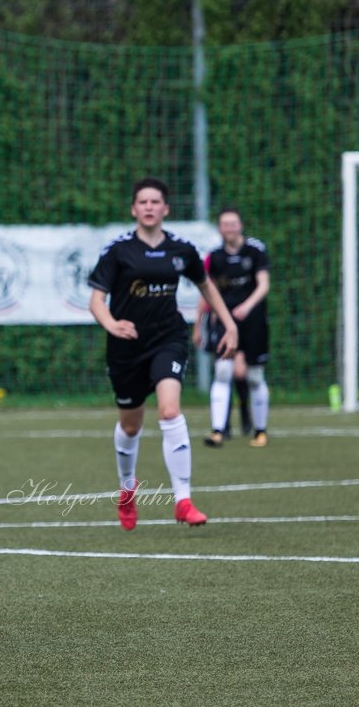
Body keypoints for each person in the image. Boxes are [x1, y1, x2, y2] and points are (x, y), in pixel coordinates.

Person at [88, 178, 238, 531]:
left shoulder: (181, 250)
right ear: (134, 209)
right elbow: (97, 300)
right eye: (143, 202)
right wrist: (111, 324)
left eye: (156, 201)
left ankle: (183, 501)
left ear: (166, 209)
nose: (150, 207)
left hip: (168, 338)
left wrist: (229, 324)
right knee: (131, 424)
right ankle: (127, 490)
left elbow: (206, 286)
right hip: (126, 346)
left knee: (170, 410)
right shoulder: (118, 251)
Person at [194, 207, 271, 448]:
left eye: (233, 223)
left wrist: (247, 307)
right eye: (225, 224)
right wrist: (198, 324)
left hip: (253, 321)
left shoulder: (255, 251)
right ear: (219, 228)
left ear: (241, 225)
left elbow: (263, 285)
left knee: (254, 376)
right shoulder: (214, 257)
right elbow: (207, 291)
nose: (229, 228)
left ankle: (260, 430)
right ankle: (218, 430)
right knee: (223, 371)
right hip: (226, 323)